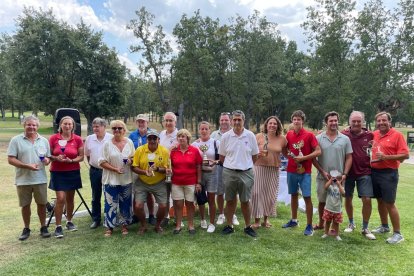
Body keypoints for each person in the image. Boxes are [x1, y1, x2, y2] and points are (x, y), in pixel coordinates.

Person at [7, 115, 52, 240]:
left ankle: (43, 227)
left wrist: (47, 161)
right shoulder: (16, 140)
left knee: (42, 204)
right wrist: (27, 166)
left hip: (40, 178)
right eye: (29, 124)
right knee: (25, 205)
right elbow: (11, 159)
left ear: (37, 126)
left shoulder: (44, 140)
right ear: (24, 125)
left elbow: (47, 159)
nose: (31, 127)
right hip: (23, 179)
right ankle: (26, 228)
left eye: (34, 125)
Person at [219, 110, 259, 237]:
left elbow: (255, 156)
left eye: (239, 120)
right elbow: (222, 157)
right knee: (230, 200)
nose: (236, 122)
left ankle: (248, 226)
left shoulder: (250, 135)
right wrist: (233, 165)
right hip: (229, 172)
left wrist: (244, 165)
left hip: (246, 173)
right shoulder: (225, 136)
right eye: (234, 119)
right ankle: (229, 225)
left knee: (245, 201)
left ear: (243, 121)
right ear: (231, 121)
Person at [370, 112, 409, 244]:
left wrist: (386, 157)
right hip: (374, 172)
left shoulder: (397, 135)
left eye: (384, 120)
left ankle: (398, 233)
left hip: (389, 173)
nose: (381, 123)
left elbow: (405, 155)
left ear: (389, 122)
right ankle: (384, 226)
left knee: (389, 203)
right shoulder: (374, 134)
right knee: (380, 201)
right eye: (379, 121)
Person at [282, 110, 321, 236]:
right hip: (291, 170)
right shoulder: (289, 135)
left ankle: (309, 225)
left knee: (307, 197)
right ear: (292, 121)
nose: (296, 121)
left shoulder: (309, 135)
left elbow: (318, 151)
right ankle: (294, 220)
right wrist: (288, 157)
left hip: (305, 171)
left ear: (302, 121)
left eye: (299, 119)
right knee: (293, 195)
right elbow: (284, 149)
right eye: (294, 119)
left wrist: (303, 158)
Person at [313, 111, 352, 232]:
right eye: (331, 121)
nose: (334, 123)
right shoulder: (318, 138)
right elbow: (313, 158)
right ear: (326, 123)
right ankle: (321, 223)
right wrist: (322, 171)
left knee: (336, 202)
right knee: (322, 201)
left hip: (339, 178)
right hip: (322, 176)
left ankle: (334, 228)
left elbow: (349, 157)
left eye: (335, 120)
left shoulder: (345, 139)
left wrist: (345, 174)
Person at [341, 111, 376, 240]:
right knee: (348, 198)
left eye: (358, 121)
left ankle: (365, 227)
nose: (356, 123)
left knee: (367, 199)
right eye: (353, 121)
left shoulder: (370, 135)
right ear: (349, 122)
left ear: (363, 122)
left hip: (365, 172)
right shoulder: (344, 134)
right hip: (348, 172)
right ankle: (351, 223)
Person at [49, 116, 84, 238]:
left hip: (72, 171)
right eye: (65, 124)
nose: (67, 126)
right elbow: (49, 155)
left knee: (70, 198)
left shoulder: (78, 139)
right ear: (60, 125)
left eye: (70, 124)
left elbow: (81, 157)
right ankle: (58, 226)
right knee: (60, 198)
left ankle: (69, 221)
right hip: (57, 172)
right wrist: (55, 157)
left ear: (73, 126)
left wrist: (72, 160)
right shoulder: (54, 138)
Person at [99, 120, 135, 236]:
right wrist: (115, 169)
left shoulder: (129, 142)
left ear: (124, 130)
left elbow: (134, 158)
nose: (117, 130)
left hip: (126, 179)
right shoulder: (107, 144)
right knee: (110, 204)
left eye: (120, 128)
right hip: (111, 179)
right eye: (114, 128)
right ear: (112, 130)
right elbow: (101, 162)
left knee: (126, 203)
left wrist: (131, 161)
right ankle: (110, 227)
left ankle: (124, 225)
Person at [251, 116, 287, 229]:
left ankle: (266, 220)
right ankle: (257, 220)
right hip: (259, 167)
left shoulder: (282, 139)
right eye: (270, 123)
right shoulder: (258, 136)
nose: (272, 125)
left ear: (278, 126)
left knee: (270, 195)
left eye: (275, 124)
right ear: (266, 125)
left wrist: (298, 159)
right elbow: (251, 152)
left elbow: (286, 154)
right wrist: (257, 154)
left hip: (273, 169)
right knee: (256, 193)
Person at [132, 130, 170, 234]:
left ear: (159, 139)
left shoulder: (164, 151)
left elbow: (167, 169)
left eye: (154, 138)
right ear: (147, 139)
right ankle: (143, 225)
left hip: (159, 182)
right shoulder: (140, 150)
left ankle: (157, 225)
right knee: (138, 206)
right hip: (142, 181)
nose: (152, 140)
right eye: (150, 138)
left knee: (163, 206)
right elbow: (134, 167)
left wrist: (157, 169)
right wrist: (144, 172)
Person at [170, 129, 202, 234]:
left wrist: (198, 182)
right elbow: (168, 164)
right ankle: (178, 225)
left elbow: (198, 166)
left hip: (191, 182)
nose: (181, 138)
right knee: (178, 204)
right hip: (176, 182)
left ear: (188, 138)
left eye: (183, 136)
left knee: (190, 204)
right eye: (179, 136)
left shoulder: (194, 150)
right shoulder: (173, 151)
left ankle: (191, 225)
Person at [211, 112, 239, 226]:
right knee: (220, 192)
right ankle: (222, 214)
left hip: (233, 167)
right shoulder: (214, 135)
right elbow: (205, 143)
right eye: (222, 120)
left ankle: (232, 215)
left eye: (226, 120)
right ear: (219, 121)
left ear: (230, 121)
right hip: (219, 167)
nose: (224, 122)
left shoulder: (236, 133)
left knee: (233, 193)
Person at [84, 117, 112, 229]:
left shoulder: (111, 138)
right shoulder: (89, 139)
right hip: (95, 171)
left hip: (108, 171)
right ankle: (96, 219)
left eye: (98, 126)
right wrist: (94, 164)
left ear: (104, 127)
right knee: (95, 196)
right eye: (94, 126)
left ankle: (108, 218)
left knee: (108, 195)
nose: (95, 128)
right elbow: (88, 154)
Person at [192, 121, 219, 233]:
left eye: (206, 129)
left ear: (210, 130)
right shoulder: (194, 144)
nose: (204, 131)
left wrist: (215, 162)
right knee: (200, 198)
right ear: (199, 130)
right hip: (199, 173)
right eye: (202, 129)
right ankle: (203, 220)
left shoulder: (215, 143)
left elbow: (220, 159)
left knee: (212, 199)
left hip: (212, 173)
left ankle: (212, 223)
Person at [129, 114, 156, 226]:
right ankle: (136, 215)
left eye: (143, 122)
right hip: (136, 167)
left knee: (149, 192)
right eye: (139, 122)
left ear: (147, 123)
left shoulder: (152, 134)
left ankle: (151, 215)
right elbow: (129, 150)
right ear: (137, 123)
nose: (141, 124)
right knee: (136, 191)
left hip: (149, 166)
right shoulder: (132, 135)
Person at [159, 111, 179, 227]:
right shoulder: (161, 134)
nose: (168, 123)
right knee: (165, 195)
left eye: (170, 120)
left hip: (176, 170)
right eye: (166, 120)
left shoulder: (179, 134)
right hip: (163, 171)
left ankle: (177, 217)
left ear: (175, 122)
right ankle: (166, 216)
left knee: (176, 195)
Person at [321, 170, 345, 241]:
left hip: (337, 210)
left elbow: (343, 194)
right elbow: (325, 187)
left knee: (336, 223)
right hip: (328, 208)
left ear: (341, 181)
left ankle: (337, 235)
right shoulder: (330, 187)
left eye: (338, 179)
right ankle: (326, 233)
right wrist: (330, 180)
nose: (336, 181)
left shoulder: (341, 188)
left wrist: (339, 184)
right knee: (327, 222)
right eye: (335, 179)